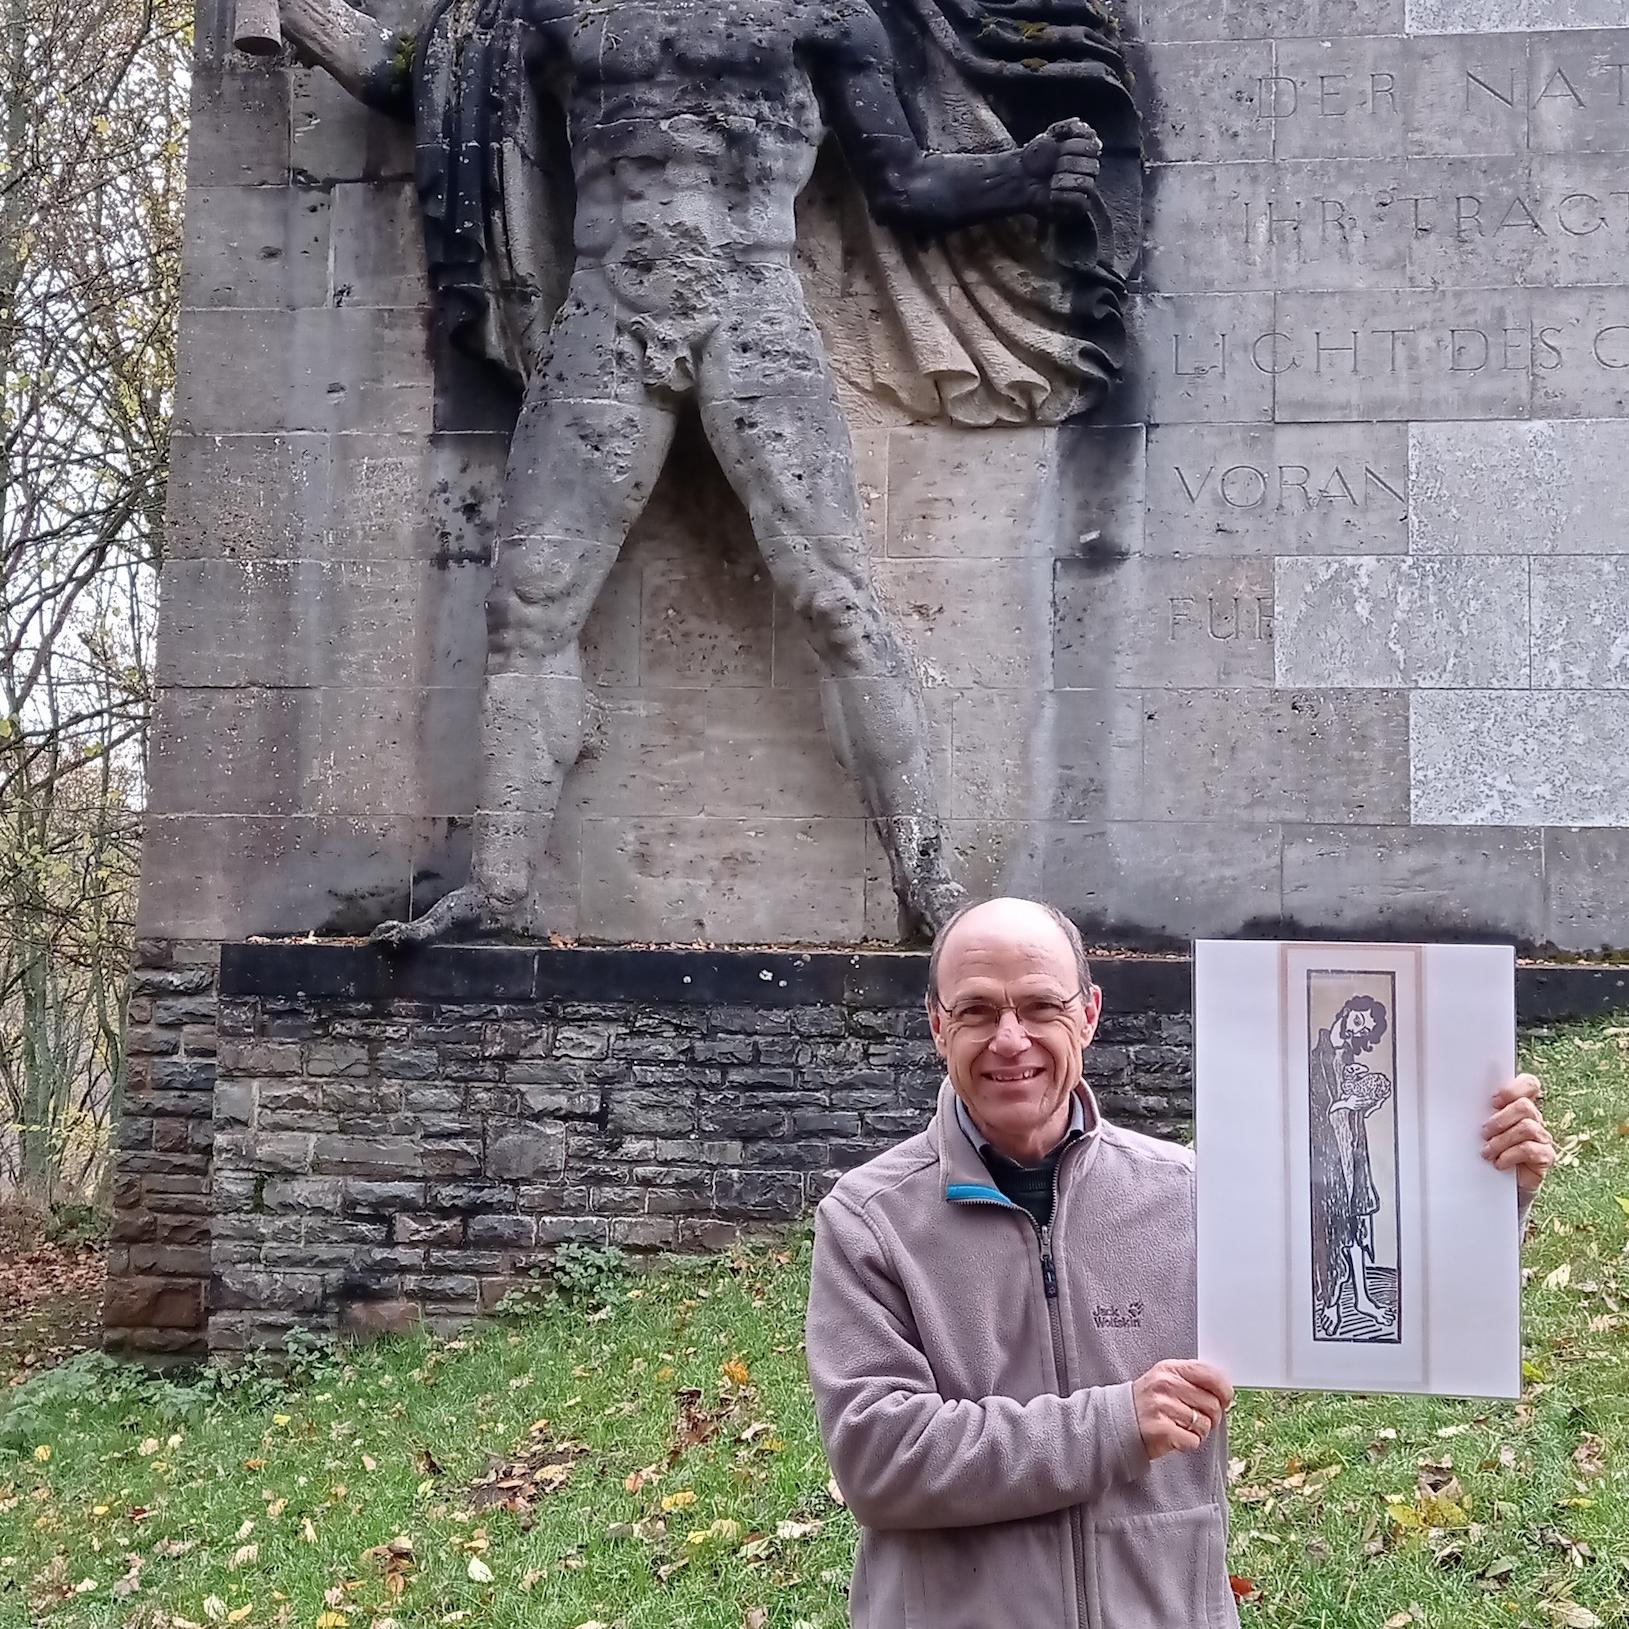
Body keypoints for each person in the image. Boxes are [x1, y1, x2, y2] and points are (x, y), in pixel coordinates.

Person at [805, 898, 1555, 1629]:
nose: (1010, 1038)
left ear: (1089, 1014)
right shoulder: (869, 1220)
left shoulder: (1190, 1190)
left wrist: (1488, 1198)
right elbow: (880, 1459)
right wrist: (1114, 1421)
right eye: (976, 1010)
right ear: (937, 1024)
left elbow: (1362, 1300)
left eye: (1039, 1006)